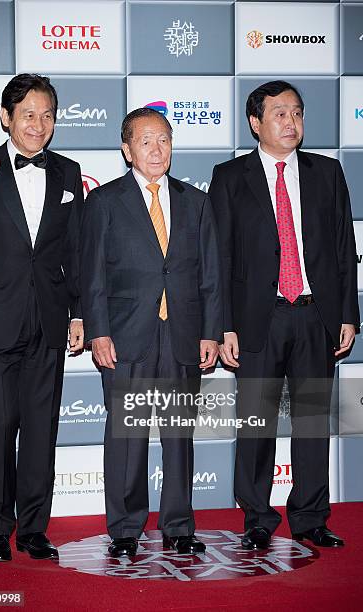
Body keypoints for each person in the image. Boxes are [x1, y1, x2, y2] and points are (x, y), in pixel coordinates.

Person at [209, 80, 359, 550]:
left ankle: (311, 516)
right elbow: (220, 257)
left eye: (296, 113)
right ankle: (256, 515)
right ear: (256, 123)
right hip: (259, 320)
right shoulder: (230, 177)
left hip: (316, 316)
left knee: (313, 422)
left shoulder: (327, 173)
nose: (290, 122)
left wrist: (348, 315)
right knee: (257, 424)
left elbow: (342, 248)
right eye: (279, 113)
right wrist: (224, 325)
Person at [80, 107, 222, 557]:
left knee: (179, 436)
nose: (157, 149)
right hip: (125, 338)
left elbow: (211, 277)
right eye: (145, 141)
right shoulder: (104, 202)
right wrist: (98, 332)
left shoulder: (196, 202)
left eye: (164, 139)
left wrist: (210, 333)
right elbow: (93, 276)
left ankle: (179, 526)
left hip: (181, 335)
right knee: (126, 436)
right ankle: (125, 528)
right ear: (126, 149)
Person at [0, 74, 84, 562]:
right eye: (28, 113)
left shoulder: (69, 173)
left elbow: (76, 250)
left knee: (39, 428)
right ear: (6, 117)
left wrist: (79, 314)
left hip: (49, 322)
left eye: (48, 114)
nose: (39, 123)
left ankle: (32, 529)